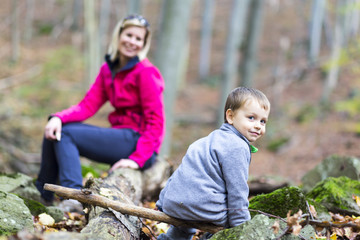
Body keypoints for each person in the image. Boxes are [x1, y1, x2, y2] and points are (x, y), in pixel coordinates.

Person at [35, 14, 165, 208]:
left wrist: (137, 159)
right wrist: (58, 117)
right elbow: (87, 105)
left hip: (139, 144)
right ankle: (43, 195)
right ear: (119, 35)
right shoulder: (108, 70)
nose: (132, 42)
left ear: (144, 44)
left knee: (67, 133)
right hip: (121, 138)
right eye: (129, 35)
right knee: (54, 129)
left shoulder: (145, 72)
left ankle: (73, 198)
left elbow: (156, 122)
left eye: (139, 39)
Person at [156, 87, 270, 240]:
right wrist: (241, 227)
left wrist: (163, 201)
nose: (258, 125)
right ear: (230, 116)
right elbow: (237, 190)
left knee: (184, 225)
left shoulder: (207, 140)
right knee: (229, 219)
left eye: (263, 121)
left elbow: (182, 172)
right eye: (251, 118)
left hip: (175, 203)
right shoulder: (237, 146)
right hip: (202, 208)